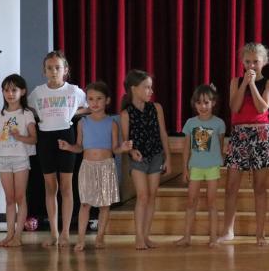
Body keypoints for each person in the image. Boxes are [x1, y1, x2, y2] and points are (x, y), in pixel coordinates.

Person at [59, 81, 132, 251]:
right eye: (91, 99)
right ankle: (81, 240)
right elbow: (79, 147)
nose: (95, 103)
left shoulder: (112, 123)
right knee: (85, 204)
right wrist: (69, 147)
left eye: (99, 98)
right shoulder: (82, 122)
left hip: (106, 167)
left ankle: (100, 237)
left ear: (107, 100)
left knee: (104, 205)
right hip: (88, 167)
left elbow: (115, 149)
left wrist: (123, 148)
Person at [28, 51, 88, 248]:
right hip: (45, 138)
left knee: (66, 186)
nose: (53, 71)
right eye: (49, 68)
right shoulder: (37, 93)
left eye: (57, 68)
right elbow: (30, 110)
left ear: (65, 70)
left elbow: (88, 107)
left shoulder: (74, 91)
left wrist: (73, 112)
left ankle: (65, 233)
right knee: (50, 187)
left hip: (66, 136)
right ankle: (53, 233)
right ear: (44, 71)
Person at [219, 42, 269, 246]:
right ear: (242, 62)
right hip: (239, 134)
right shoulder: (236, 82)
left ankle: (260, 233)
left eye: (255, 62)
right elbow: (234, 107)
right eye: (247, 62)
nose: (251, 66)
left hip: (260, 134)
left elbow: (262, 108)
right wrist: (244, 84)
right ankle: (228, 230)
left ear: (264, 62)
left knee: (260, 187)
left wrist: (252, 85)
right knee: (231, 186)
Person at [0, 74, 37, 248]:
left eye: (14, 90)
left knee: (20, 198)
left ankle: (18, 236)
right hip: (3, 160)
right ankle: (9, 235)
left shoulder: (26, 114)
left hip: (20, 159)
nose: (10, 94)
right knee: (9, 199)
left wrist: (19, 137)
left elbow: (34, 139)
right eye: (6, 90)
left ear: (22, 92)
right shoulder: (0, 115)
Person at [120, 70, 172, 250]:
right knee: (142, 196)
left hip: (156, 156)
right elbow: (126, 142)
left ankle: (147, 236)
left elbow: (163, 134)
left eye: (151, 87)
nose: (151, 91)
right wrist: (132, 151)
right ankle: (139, 237)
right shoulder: (126, 114)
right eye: (147, 87)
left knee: (151, 196)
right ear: (134, 89)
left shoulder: (156, 108)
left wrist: (168, 157)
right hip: (139, 159)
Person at [175, 84, 226, 247]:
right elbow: (186, 148)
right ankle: (186, 237)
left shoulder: (219, 123)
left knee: (212, 202)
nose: (202, 106)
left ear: (213, 103)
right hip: (195, 167)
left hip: (212, 168)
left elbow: (220, 145)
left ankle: (213, 238)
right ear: (194, 104)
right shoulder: (190, 123)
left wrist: (220, 159)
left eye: (206, 102)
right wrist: (185, 168)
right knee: (191, 202)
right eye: (199, 103)